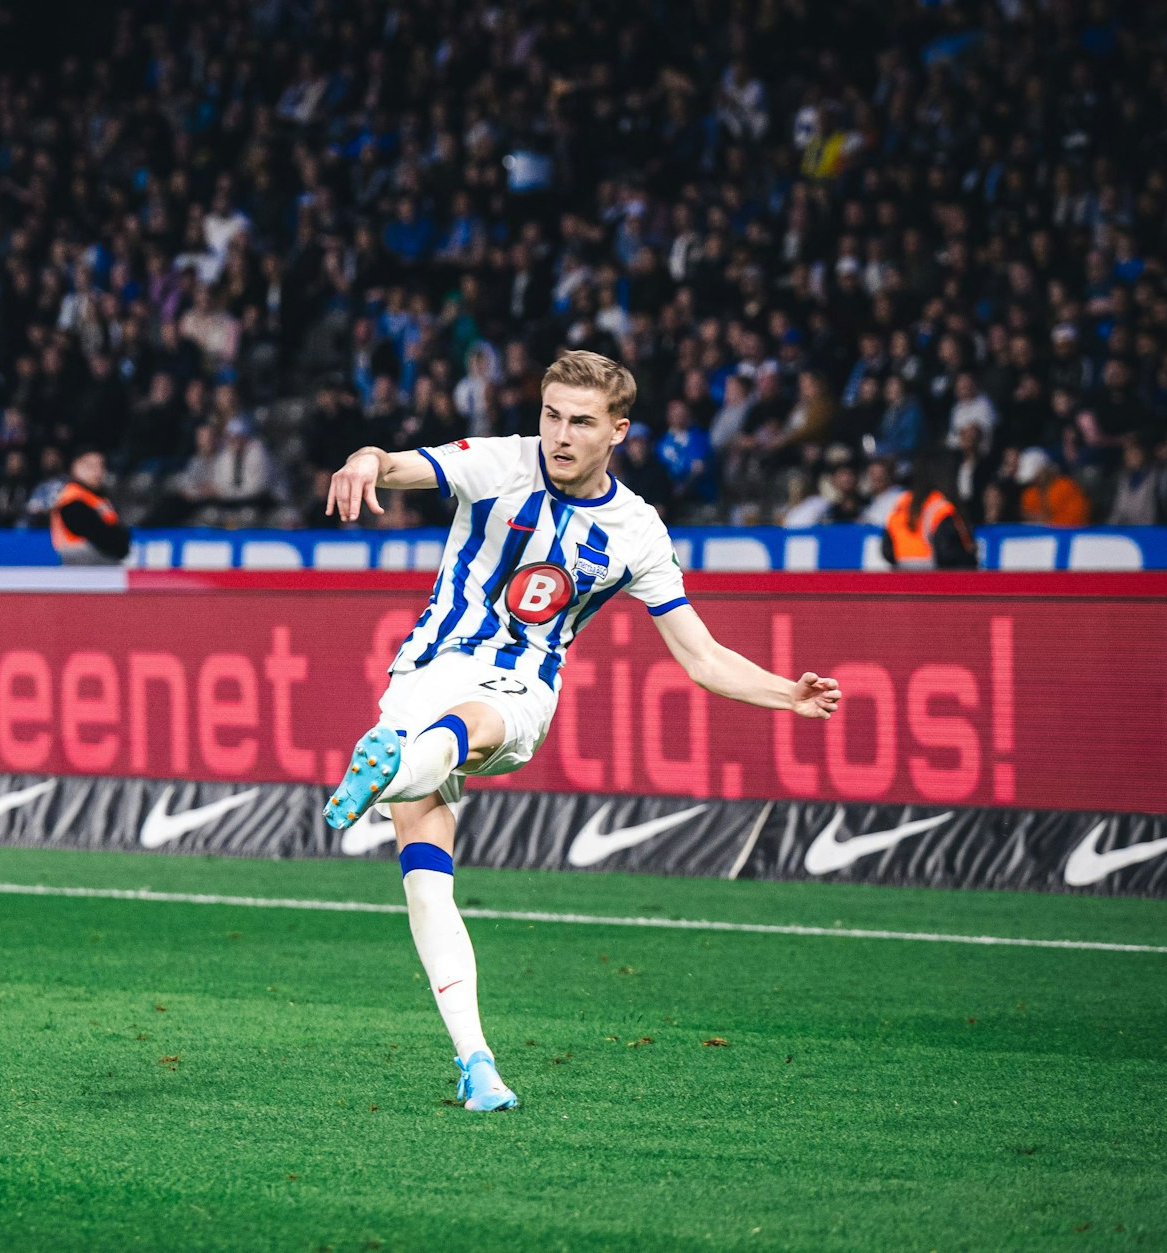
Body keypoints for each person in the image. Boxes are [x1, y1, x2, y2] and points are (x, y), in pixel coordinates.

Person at [321, 350, 842, 1112]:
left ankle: (395, 764)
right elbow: (396, 465)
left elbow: (700, 655)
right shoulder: (499, 461)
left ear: (618, 430)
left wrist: (784, 695)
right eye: (551, 415)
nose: (560, 435)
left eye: (581, 421)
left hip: (520, 682)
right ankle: (478, 1065)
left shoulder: (636, 530)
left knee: (474, 727)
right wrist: (362, 460)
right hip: (425, 668)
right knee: (428, 887)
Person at [881, 457, 978, 569]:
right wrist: (969, 558)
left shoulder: (900, 503)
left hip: (902, 574)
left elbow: (887, 551)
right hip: (932, 577)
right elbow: (946, 553)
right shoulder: (940, 507)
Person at [50, 448, 132, 564]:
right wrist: (118, 537)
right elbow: (102, 536)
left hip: (104, 567)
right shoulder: (72, 501)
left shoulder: (98, 498)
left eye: (101, 466)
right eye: (90, 466)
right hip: (82, 569)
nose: (97, 471)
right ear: (75, 466)